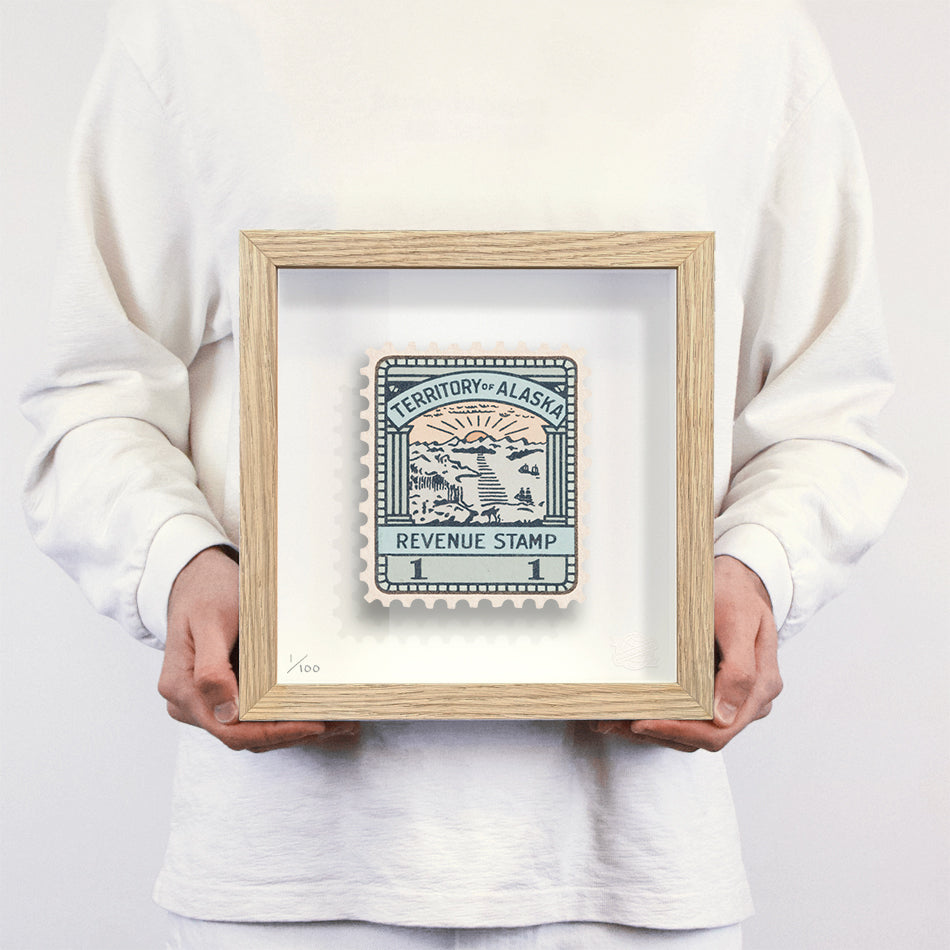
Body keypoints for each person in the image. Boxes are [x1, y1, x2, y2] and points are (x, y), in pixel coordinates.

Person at [21, 2, 905, 946]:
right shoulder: (194, 27)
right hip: (288, 864)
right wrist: (178, 564)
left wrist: (759, 566)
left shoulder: (747, 33)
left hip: (629, 859)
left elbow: (826, 409)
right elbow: (96, 393)